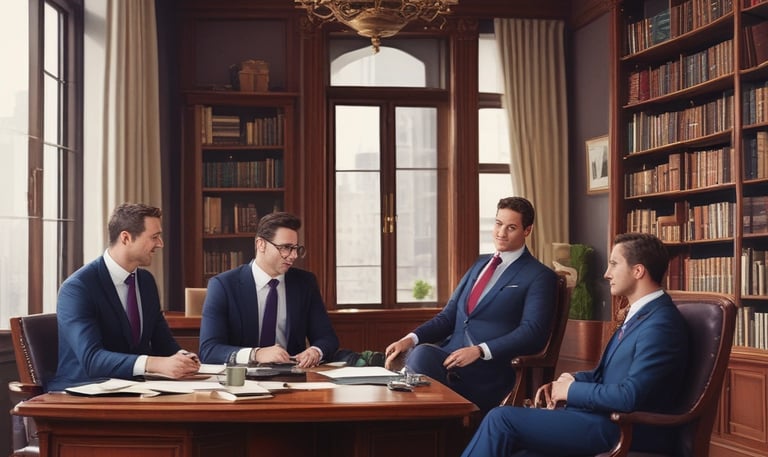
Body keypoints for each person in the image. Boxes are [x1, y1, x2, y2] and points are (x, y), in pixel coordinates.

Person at [461, 232, 690, 456]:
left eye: (613, 264)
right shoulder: (640, 315)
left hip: (626, 429)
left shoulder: (661, 325)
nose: (606, 273)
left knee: (501, 419)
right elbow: (606, 375)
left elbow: (630, 396)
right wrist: (572, 380)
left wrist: (571, 391)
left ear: (638, 271)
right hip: (602, 418)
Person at [384, 197, 558, 414]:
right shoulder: (480, 264)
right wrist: (409, 339)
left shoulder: (539, 276)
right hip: (449, 361)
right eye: (498, 223)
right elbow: (448, 316)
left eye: (511, 227)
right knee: (412, 354)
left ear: (527, 230)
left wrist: (480, 351)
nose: (501, 232)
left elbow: (533, 332)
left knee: (420, 357)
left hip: (487, 372)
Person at [48, 203, 200, 391]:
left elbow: (163, 342)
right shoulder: (78, 288)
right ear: (126, 238)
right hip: (85, 392)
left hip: (137, 389)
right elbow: (92, 359)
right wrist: (154, 364)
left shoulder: (146, 281)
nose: (161, 244)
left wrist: (183, 356)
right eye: (154, 237)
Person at [199, 212, 339, 368]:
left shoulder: (305, 283)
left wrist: (315, 351)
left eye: (295, 249)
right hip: (242, 379)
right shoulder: (223, 285)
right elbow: (209, 350)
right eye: (286, 248)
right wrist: (256, 354)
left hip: (292, 376)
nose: (293, 256)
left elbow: (327, 338)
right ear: (261, 244)